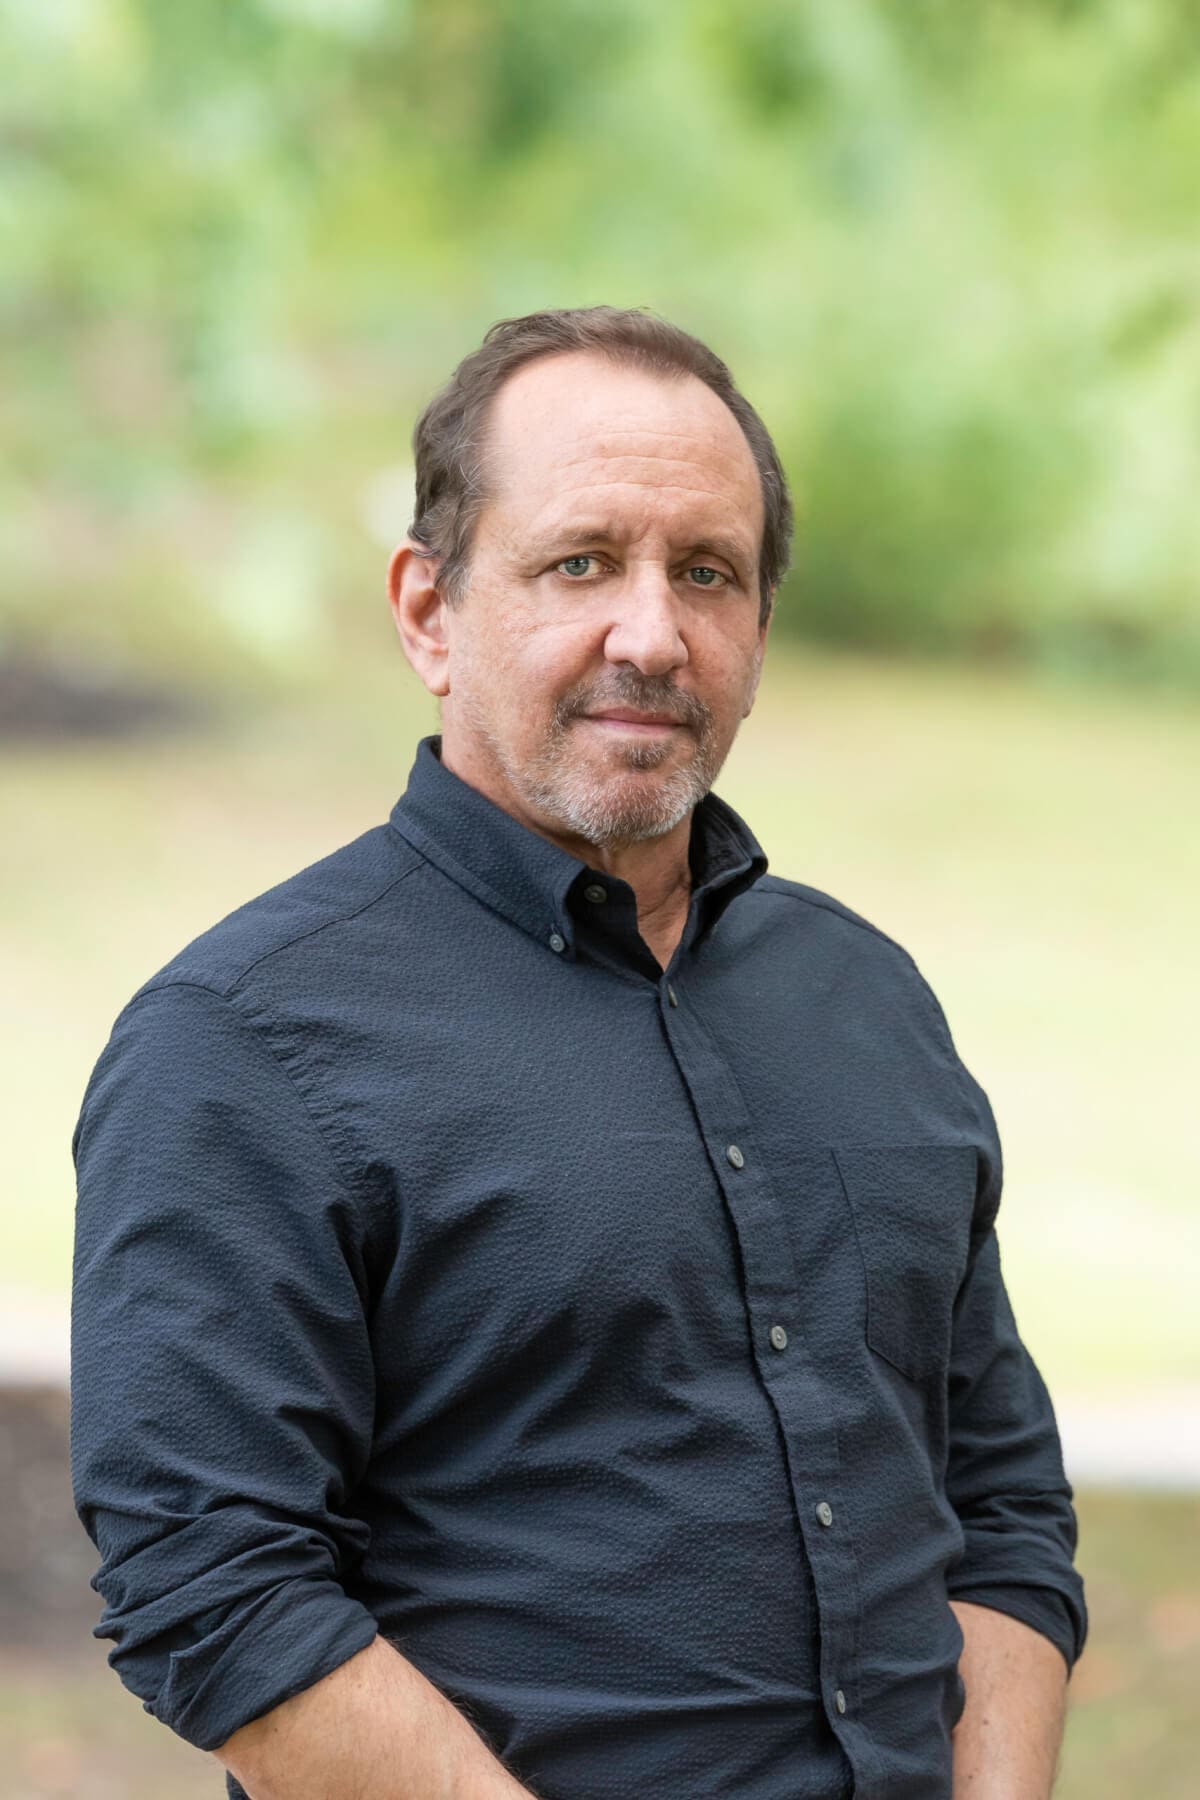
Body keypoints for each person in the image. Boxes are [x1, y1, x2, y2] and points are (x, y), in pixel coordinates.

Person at [71, 306, 1086, 1800]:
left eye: (708, 574)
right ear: (428, 609)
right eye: (579, 562)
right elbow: (212, 1590)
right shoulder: (239, 1043)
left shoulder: (864, 995)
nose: (652, 633)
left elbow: (997, 1501)